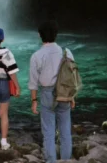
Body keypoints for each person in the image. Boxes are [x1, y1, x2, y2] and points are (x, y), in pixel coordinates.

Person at [28, 20, 75, 163]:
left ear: (39, 35)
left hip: (47, 93)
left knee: (48, 130)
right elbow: (71, 76)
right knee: (65, 129)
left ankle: (51, 160)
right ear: (56, 35)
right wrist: (72, 97)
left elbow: (33, 82)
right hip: (64, 93)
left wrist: (34, 101)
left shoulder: (36, 56)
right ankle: (66, 160)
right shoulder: (67, 53)